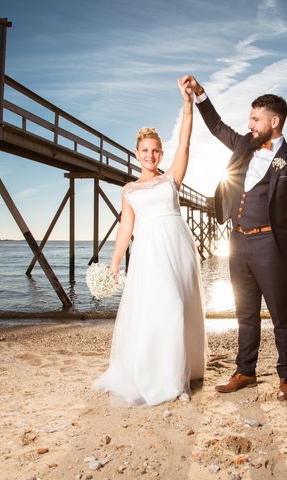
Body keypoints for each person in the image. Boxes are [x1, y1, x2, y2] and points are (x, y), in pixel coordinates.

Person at [181, 75, 287, 401]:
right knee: (245, 313)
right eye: (249, 118)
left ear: (274, 122)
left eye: (255, 118)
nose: (249, 124)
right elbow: (217, 126)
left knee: (280, 314)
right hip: (238, 241)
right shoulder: (243, 145)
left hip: (270, 245)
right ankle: (245, 372)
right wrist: (201, 95)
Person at [94, 80, 205, 406]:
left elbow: (184, 142)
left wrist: (187, 105)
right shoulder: (129, 190)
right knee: (162, 309)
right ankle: (165, 381)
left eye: (156, 150)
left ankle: (178, 375)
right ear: (137, 153)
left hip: (177, 247)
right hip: (147, 253)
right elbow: (126, 227)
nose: (151, 155)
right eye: (145, 150)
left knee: (179, 308)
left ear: (161, 152)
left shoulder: (171, 178)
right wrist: (114, 262)